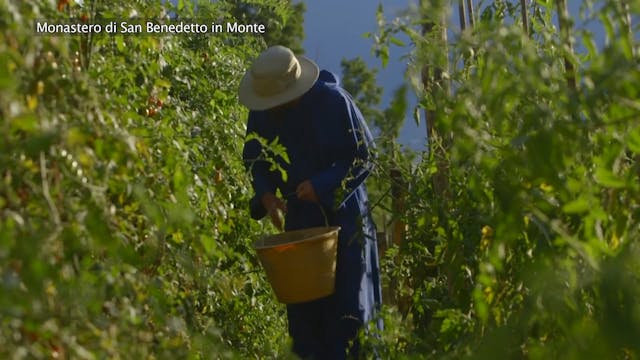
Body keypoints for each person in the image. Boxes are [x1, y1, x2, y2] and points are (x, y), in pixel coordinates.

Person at [239, 45, 382, 359]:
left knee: (349, 316)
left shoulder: (334, 102)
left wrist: (322, 186)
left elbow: (363, 155)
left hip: (345, 220)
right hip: (300, 222)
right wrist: (266, 195)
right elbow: (255, 158)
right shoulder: (263, 108)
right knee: (305, 319)